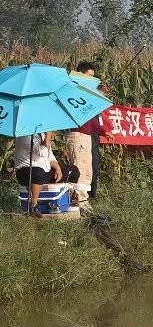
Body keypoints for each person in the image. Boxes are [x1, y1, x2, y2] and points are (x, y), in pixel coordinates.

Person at [65, 62, 105, 212]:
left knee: (89, 168)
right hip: (77, 135)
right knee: (79, 167)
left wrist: (103, 131)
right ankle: (78, 200)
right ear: (80, 75)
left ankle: (84, 199)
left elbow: (92, 121)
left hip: (87, 136)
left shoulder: (88, 95)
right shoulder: (75, 93)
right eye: (89, 76)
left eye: (94, 77)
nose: (92, 80)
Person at [14, 132, 80, 216]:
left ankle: (70, 198)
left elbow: (50, 156)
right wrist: (48, 137)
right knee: (38, 172)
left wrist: (57, 168)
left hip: (45, 170)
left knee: (73, 171)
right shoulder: (25, 135)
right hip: (26, 171)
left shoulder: (41, 133)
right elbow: (42, 152)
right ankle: (34, 204)